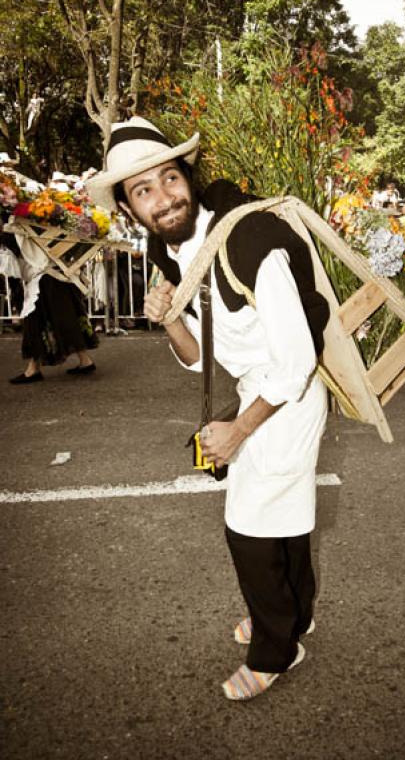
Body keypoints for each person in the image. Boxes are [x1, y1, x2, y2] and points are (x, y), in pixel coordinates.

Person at [86, 116, 330, 701]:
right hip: (259, 391)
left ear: (187, 177)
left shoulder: (248, 238)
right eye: (142, 190)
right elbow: (201, 359)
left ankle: (277, 649)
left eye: (168, 179)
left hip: (286, 397)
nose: (162, 198)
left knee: (247, 527)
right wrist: (169, 318)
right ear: (127, 206)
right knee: (286, 515)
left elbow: (296, 360)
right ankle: (293, 615)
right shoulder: (168, 249)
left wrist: (238, 432)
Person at [6, 228, 97, 384]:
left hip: (47, 277)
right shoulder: (41, 220)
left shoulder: (24, 222)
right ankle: (85, 360)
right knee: (67, 318)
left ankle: (33, 369)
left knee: (37, 321)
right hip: (57, 273)